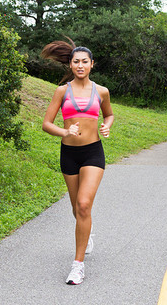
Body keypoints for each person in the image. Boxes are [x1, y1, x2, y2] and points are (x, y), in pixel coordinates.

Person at [41, 38, 114, 285]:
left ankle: (77, 266)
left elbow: (110, 114)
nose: (80, 65)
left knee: (83, 205)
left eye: (85, 61)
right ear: (70, 65)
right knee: (76, 209)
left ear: (92, 64)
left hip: (93, 152)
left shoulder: (101, 91)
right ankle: (88, 231)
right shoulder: (62, 92)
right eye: (76, 62)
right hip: (69, 154)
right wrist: (64, 132)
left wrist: (106, 126)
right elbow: (46, 124)